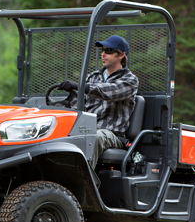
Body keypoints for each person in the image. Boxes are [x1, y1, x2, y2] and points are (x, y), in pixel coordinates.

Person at [58, 35, 139, 169]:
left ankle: (83, 184)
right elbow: (79, 106)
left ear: (121, 55)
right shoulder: (92, 77)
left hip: (111, 134)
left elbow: (109, 91)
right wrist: (72, 95)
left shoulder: (130, 80)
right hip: (86, 130)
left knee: (93, 137)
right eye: (102, 50)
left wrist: (81, 86)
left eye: (108, 51)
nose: (103, 54)